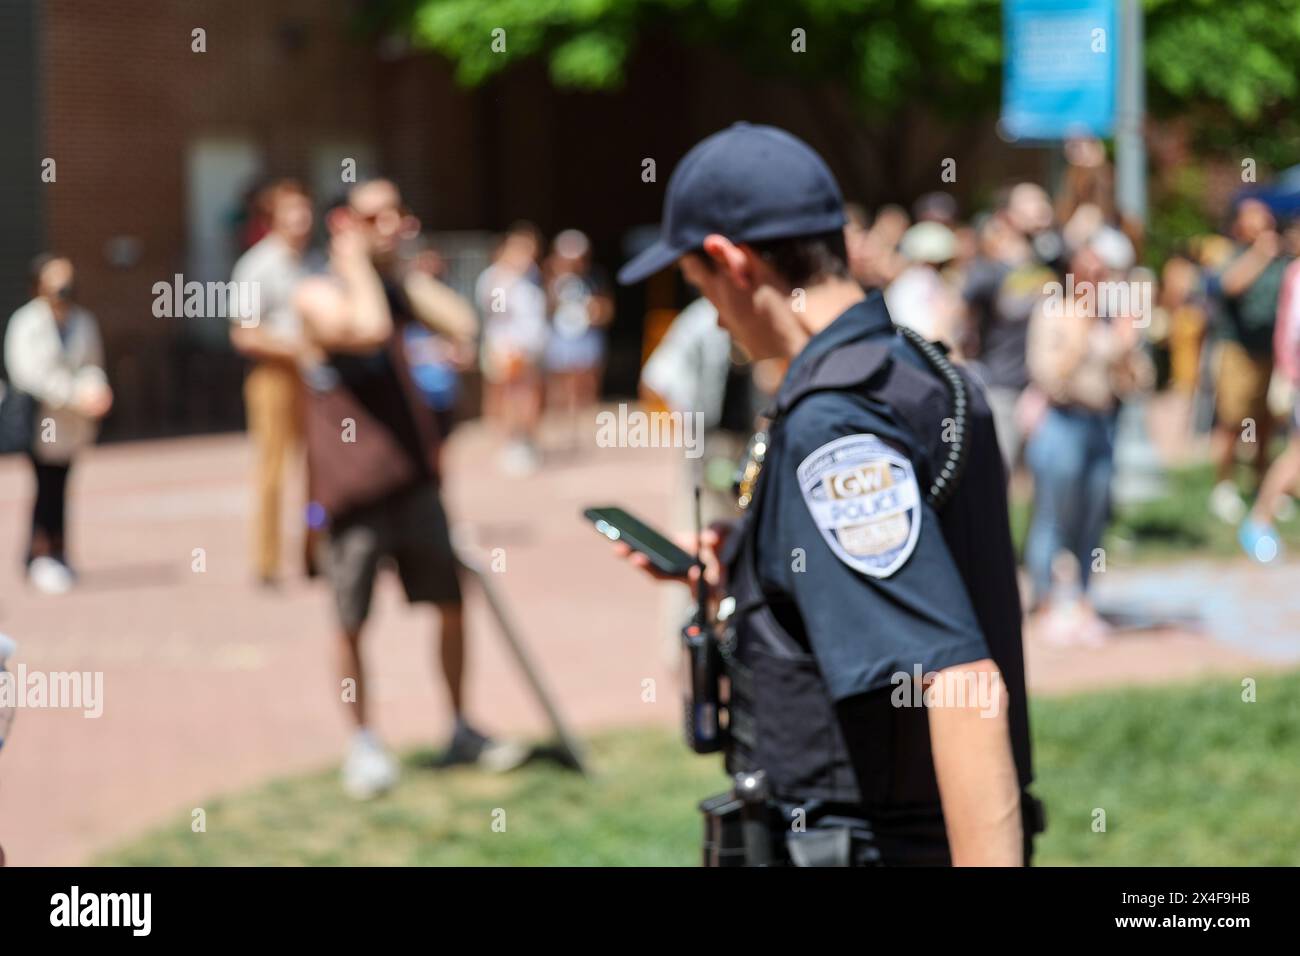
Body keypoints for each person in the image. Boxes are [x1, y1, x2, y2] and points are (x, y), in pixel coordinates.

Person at [615, 123, 1039, 866]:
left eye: (700, 287)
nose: (712, 315)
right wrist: (751, 565)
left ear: (732, 261)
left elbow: (960, 685)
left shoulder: (834, 422)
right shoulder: (913, 370)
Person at [294, 179, 517, 799]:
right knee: (350, 621)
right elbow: (362, 328)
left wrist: (396, 273)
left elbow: (463, 321)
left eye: (398, 213)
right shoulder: (315, 291)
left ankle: (460, 726)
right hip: (351, 492)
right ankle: (364, 742)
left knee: (449, 602)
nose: (392, 224)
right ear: (342, 223)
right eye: (375, 216)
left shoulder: (394, 290)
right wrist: (353, 262)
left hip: (414, 483)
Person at [1021, 238, 1152, 645]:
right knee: (1053, 517)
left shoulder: (1112, 321)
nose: (1098, 281)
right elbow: (1048, 377)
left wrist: (1127, 348)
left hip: (1101, 426)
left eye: (1104, 274)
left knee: (1093, 518)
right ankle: (1043, 601)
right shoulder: (1053, 313)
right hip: (1062, 425)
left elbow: (1138, 383)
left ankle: (1082, 600)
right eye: (1091, 273)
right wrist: (1081, 334)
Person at [4, 255, 113, 594]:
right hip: (41, 420)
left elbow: (92, 363)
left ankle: (57, 551)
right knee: (45, 486)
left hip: (72, 425)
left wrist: (95, 389)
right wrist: (73, 394)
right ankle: (40, 553)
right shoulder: (26, 322)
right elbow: (29, 373)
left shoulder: (82, 321)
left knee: (61, 485)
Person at [229, 179, 315, 586]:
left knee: (321, 466)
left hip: (316, 378)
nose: (301, 219)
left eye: (304, 209)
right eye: (291, 212)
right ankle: (267, 563)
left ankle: (317, 552)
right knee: (273, 470)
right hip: (273, 376)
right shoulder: (256, 266)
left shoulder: (313, 263)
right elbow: (244, 333)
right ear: (272, 219)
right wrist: (293, 348)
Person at [1208, 198, 1290, 524]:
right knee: (1233, 421)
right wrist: (1260, 255)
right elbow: (1229, 286)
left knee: (1266, 422)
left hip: (1272, 351)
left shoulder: (1283, 259)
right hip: (1237, 350)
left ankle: (1262, 484)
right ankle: (1224, 485)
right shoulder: (1233, 255)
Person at [475, 222, 549, 475]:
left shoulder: (532, 279)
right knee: (506, 397)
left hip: (530, 349)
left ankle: (526, 441)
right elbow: (494, 314)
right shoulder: (495, 278)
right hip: (506, 350)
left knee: (528, 397)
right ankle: (508, 444)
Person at [543, 229, 614, 450]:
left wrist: (595, 311)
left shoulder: (595, 278)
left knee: (585, 386)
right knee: (559, 387)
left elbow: (608, 309)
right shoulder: (551, 279)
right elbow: (542, 308)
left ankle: (581, 431)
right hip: (560, 340)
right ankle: (563, 430)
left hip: (586, 339)